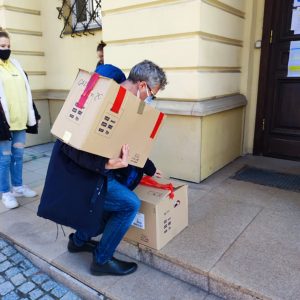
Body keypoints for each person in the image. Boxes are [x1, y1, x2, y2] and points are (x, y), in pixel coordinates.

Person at [38, 60, 167, 276]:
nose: (152, 99)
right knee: (128, 204)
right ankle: (101, 260)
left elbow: (130, 142)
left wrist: (149, 168)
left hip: (98, 174)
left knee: (107, 209)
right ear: (142, 86)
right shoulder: (103, 99)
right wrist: (105, 163)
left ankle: (78, 242)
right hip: (82, 178)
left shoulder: (125, 103)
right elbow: (68, 148)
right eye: (153, 93)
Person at [0, 28, 39, 210]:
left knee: (18, 156)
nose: (5, 49)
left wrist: (34, 114)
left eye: (8, 45)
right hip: (3, 124)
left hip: (20, 122)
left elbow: (27, 92)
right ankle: (5, 193)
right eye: (1, 45)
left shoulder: (16, 64)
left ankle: (18, 187)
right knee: (4, 159)